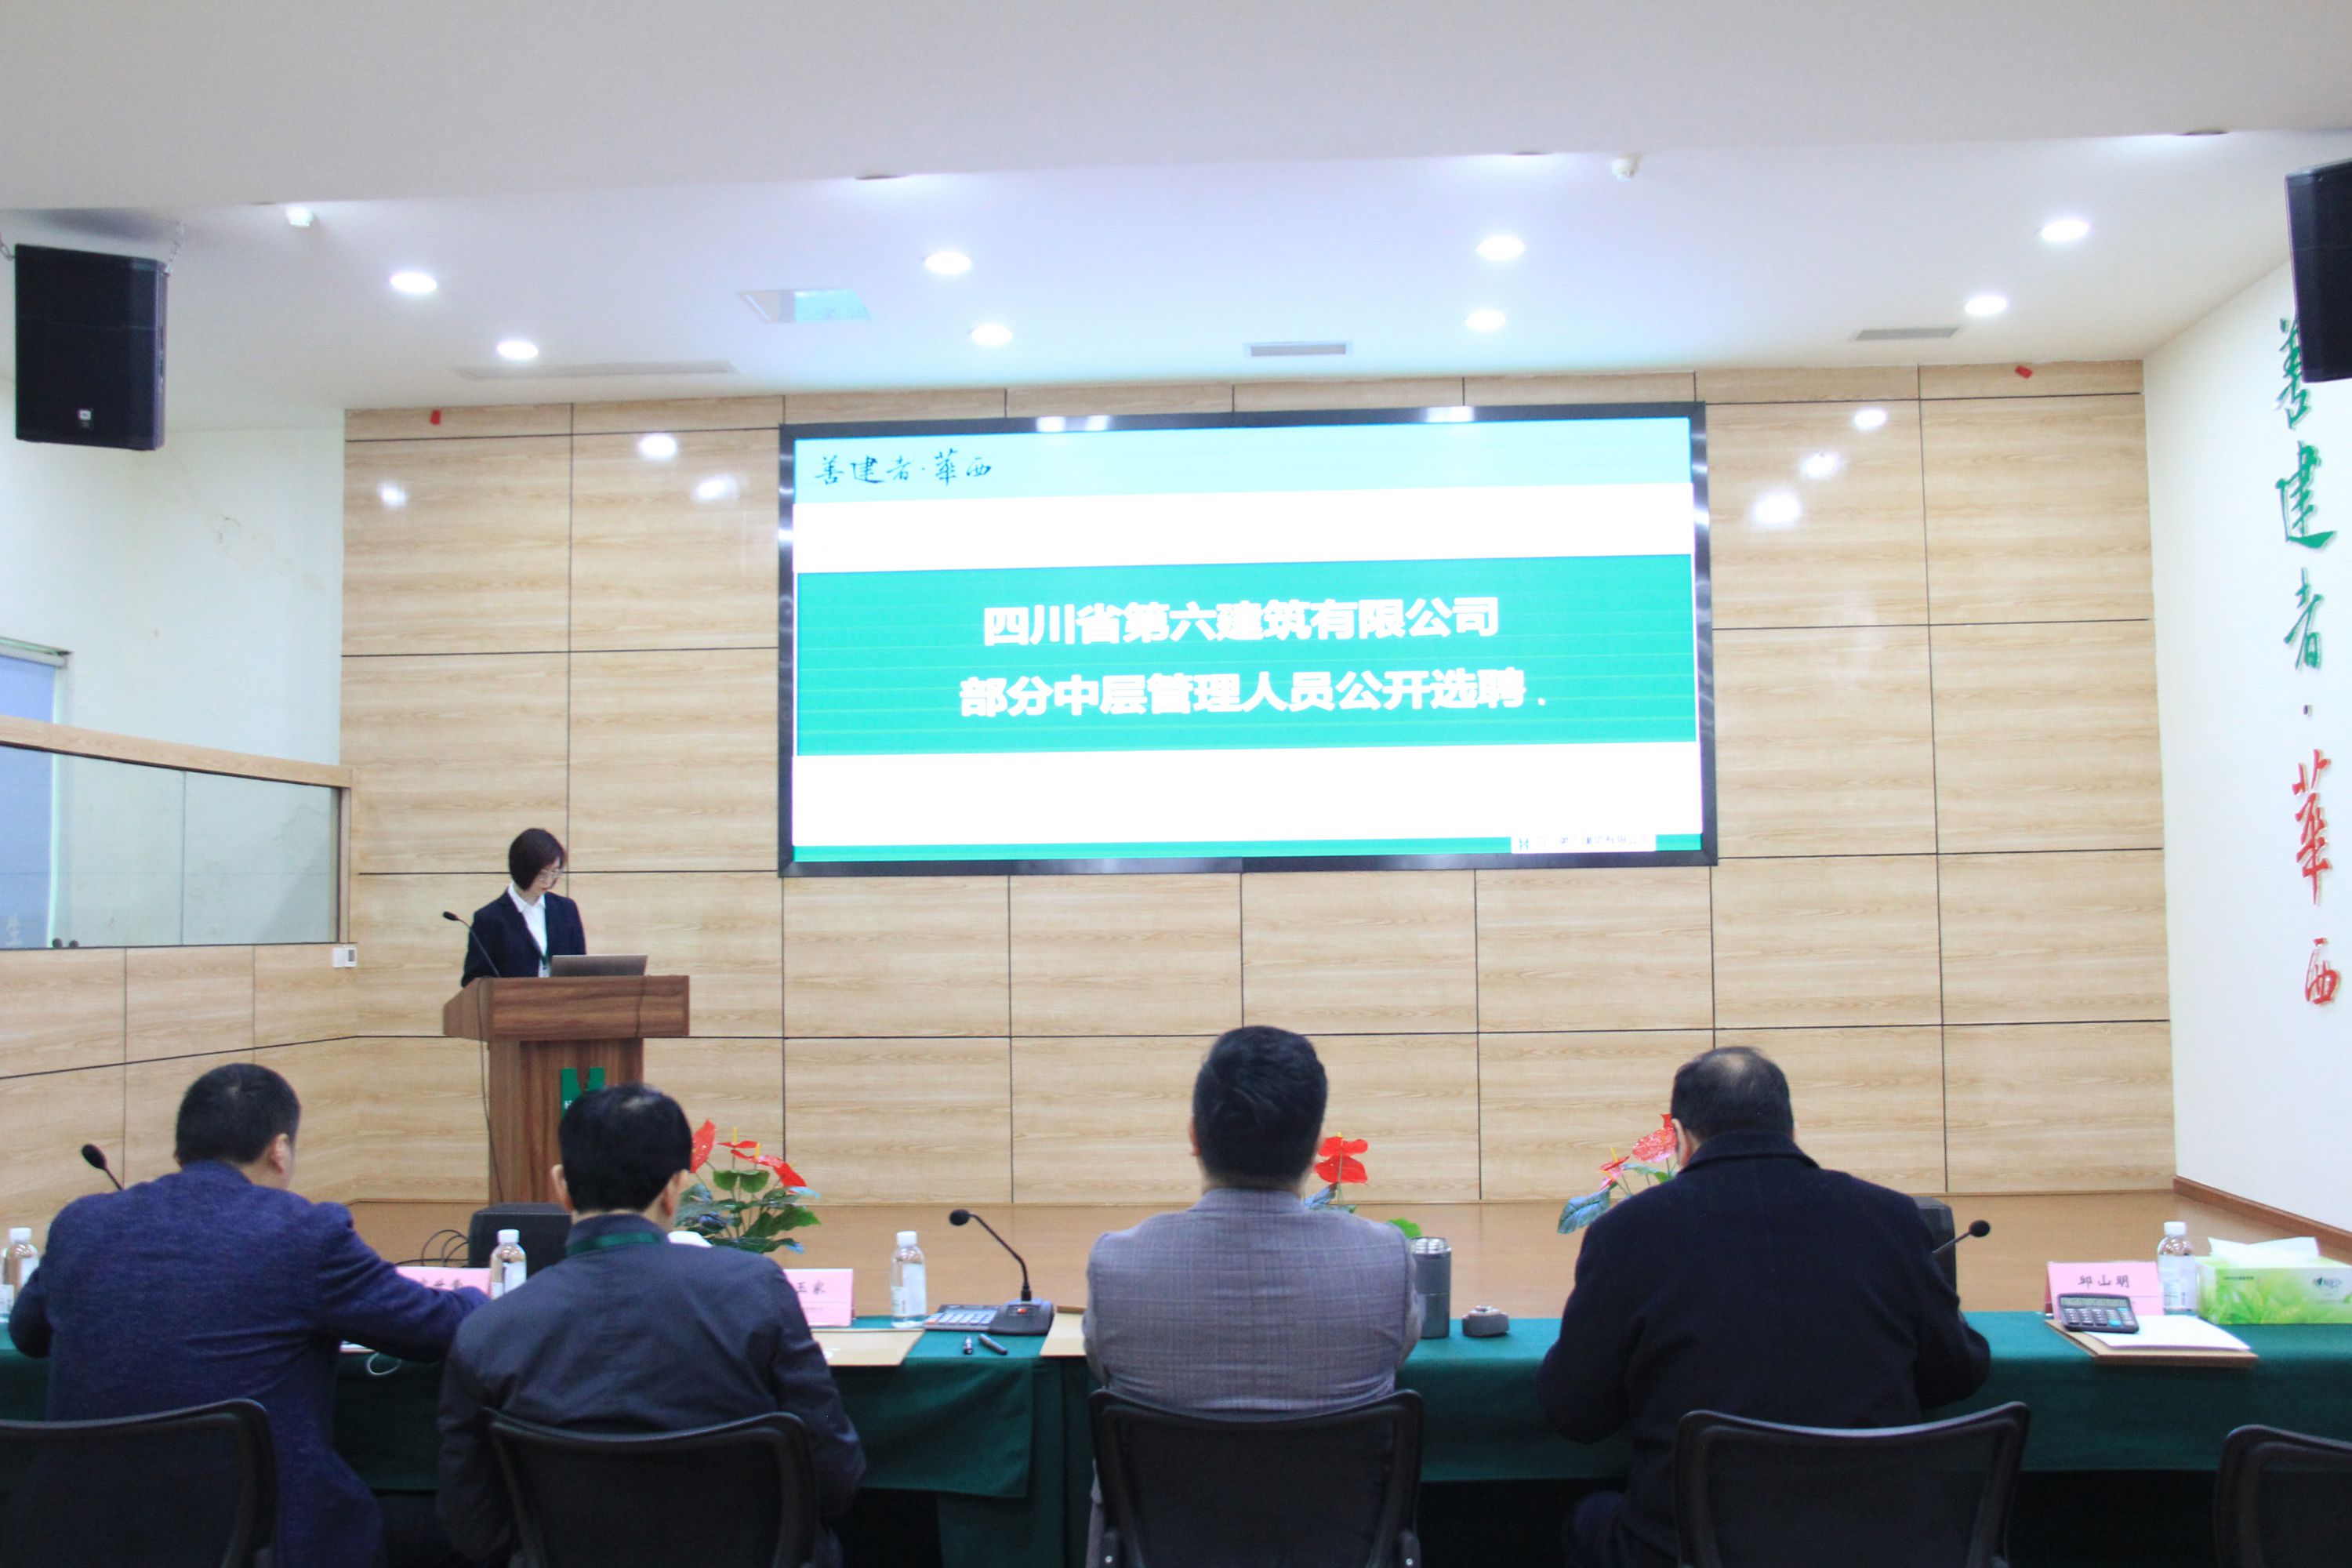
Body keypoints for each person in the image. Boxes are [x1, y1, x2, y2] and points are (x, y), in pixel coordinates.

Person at [6, 1063, 485, 1568]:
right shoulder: (303, 1233)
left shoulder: (82, 1223)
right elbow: (439, 1329)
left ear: (180, 1151)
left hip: (82, 1537)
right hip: (260, 1537)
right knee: (444, 1528)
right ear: (279, 1149)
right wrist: (481, 1298)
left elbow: (28, 1335)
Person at [1536, 1046, 1991, 1568]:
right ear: (1792, 1130)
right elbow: (1957, 1373)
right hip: (1885, 1546)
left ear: (1680, 1138)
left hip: (1688, 1548)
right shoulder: (1891, 1217)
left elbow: (1576, 1413)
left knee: (1587, 1519)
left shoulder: (1626, 1233)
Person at [436, 1083, 865, 1566]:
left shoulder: (488, 1331)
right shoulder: (755, 1291)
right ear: (674, 1189)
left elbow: (473, 1528)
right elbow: (834, 1480)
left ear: (562, 1187)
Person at [1083, 1027, 1420, 1550]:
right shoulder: (1386, 1261)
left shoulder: (1117, 1266)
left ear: (1195, 1136)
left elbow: (1100, 1364)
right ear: (1316, 1144)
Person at [459, 826, 583, 982]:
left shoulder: (566, 910)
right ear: (523, 869)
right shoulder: (489, 919)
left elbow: (581, 970)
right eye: (542, 873)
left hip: (562, 997)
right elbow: (474, 980)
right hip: (512, 998)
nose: (549, 881)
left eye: (555, 872)